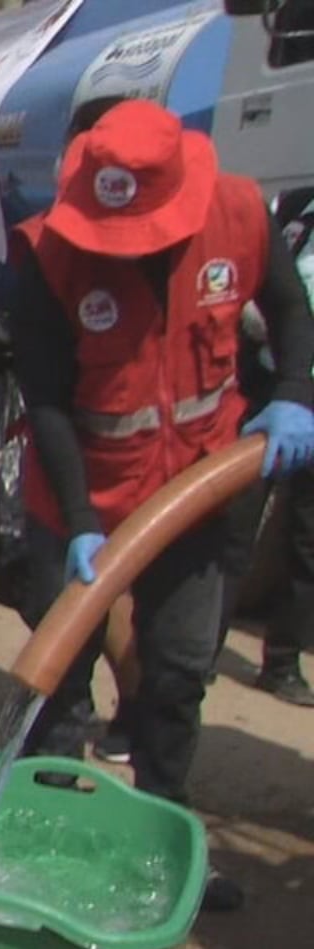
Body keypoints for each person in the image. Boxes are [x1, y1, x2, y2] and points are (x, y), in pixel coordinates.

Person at [8, 99, 314, 913]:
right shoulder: (45, 254)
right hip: (82, 499)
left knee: (177, 675)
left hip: (198, 494)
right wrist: (77, 522)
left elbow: (289, 307)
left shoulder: (240, 213)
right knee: (61, 686)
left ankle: (161, 844)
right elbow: (45, 401)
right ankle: (53, 851)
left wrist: (291, 393)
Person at [207, 185, 314, 709]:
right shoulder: (295, 208)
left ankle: (283, 662)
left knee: (308, 540)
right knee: (232, 527)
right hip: (269, 396)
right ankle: (201, 654)